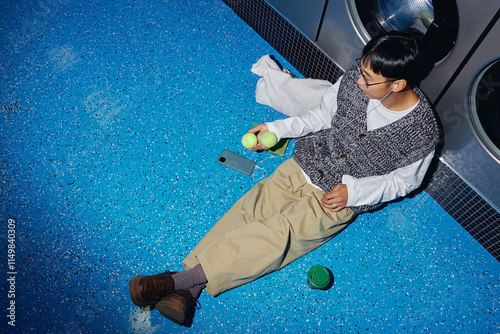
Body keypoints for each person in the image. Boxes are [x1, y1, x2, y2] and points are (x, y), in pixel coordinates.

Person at [128, 31, 440, 327]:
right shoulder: (355, 76)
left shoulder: (423, 130)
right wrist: (278, 129)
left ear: (398, 84)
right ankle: (187, 290)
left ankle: (174, 282)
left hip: (336, 200)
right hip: (305, 162)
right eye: (361, 70)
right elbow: (320, 115)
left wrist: (355, 193)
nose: (357, 80)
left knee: (278, 236)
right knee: (250, 211)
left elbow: (405, 182)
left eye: (368, 80)